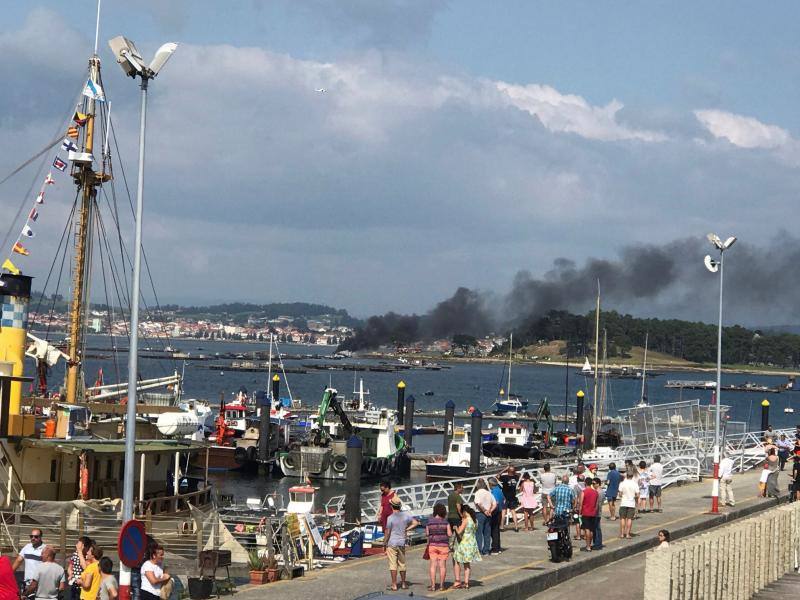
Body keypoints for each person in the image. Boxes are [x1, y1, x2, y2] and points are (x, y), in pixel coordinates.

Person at [383, 496, 419, 592]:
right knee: (402, 563)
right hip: (401, 542)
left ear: (391, 506)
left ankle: (394, 584)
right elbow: (415, 523)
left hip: (392, 542)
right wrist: (406, 529)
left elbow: (387, 532)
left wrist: (384, 543)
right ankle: (403, 583)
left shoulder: (390, 518)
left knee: (392, 564)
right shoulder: (405, 516)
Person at [452, 505, 481, 591]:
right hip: (472, 542)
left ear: (464, 512)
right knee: (467, 564)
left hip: (464, 543)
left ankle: (458, 581)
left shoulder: (465, 520)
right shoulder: (475, 520)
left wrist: (455, 527)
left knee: (456, 559)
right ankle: (466, 583)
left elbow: (459, 531)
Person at [424, 503, 452, 592]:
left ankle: (432, 586)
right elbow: (450, 534)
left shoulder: (429, 522)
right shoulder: (446, 522)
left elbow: (427, 534)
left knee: (433, 566)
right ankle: (441, 586)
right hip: (443, 546)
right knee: (442, 566)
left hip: (432, 545)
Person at [472, 480, 495, 556]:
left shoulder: (477, 493)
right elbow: (495, 504)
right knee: (487, 533)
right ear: (485, 485)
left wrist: (484, 511)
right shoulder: (489, 493)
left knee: (478, 533)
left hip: (480, 514)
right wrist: (490, 511)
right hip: (488, 514)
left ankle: (479, 550)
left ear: (478, 486)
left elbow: (478, 503)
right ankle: (486, 550)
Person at [578, 474, 599, 552]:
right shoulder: (595, 492)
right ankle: (590, 544)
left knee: (587, 529)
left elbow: (581, 504)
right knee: (592, 530)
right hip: (593, 513)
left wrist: (580, 513)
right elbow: (596, 504)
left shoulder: (584, 492)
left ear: (585, 483)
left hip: (586, 512)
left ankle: (588, 546)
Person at [498, 466, 520, 532]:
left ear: (507, 471)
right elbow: (517, 473)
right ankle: (516, 527)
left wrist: (504, 469)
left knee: (503, 512)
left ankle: (502, 526)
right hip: (513, 497)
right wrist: (512, 470)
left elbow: (497, 475)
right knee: (513, 512)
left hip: (505, 497)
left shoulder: (505, 477)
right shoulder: (516, 477)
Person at [618, 471, 639, 539]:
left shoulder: (622, 483)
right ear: (632, 476)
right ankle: (627, 534)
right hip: (631, 503)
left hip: (624, 502)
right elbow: (637, 494)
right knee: (629, 519)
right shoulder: (635, 484)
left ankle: (622, 534)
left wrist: (623, 495)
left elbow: (620, 494)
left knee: (622, 518)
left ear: (626, 476)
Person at [489, 478, 505, 554]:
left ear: (491, 484)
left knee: (494, 531)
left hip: (495, 512)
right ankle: (498, 547)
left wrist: (490, 510)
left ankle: (495, 548)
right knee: (497, 531)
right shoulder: (499, 490)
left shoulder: (494, 491)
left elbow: (496, 502)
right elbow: (503, 499)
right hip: (500, 512)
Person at [591, 478, 604, 550]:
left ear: (598, 484)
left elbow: (597, 504)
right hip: (598, 512)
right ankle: (597, 543)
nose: (593, 485)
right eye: (592, 483)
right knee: (596, 528)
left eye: (594, 483)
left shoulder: (598, 492)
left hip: (596, 513)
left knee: (596, 528)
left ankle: (597, 544)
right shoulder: (599, 491)